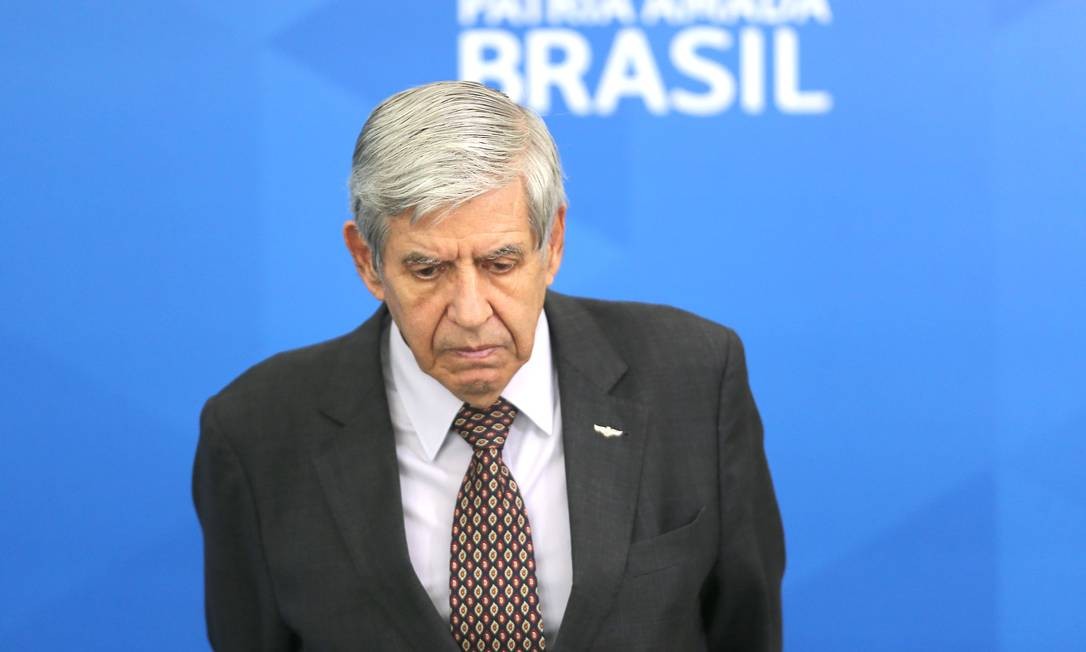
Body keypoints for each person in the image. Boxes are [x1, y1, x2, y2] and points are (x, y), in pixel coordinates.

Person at [193, 80, 784, 652]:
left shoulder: (694, 377)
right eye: (427, 270)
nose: (471, 313)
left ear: (551, 244)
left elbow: (744, 628)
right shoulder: (256, 432)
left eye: (500, 263)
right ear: (367, 261)